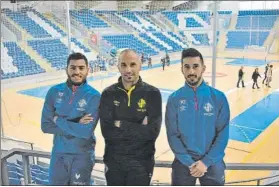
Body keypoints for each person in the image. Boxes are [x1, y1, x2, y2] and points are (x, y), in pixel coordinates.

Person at [165, 48, 230, 186]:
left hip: (212, 161)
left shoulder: (218, 98)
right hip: (183, 162)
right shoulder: (174, 99)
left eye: (195, 66)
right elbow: (172, 135)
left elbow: (222, 135)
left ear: (203, 68)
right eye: (187, 67)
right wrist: (190, 163)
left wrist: (205, 162)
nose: (191, 71)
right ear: (182, 69)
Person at [99, 49, 162, 186]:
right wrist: (139, 128)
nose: (128, 70)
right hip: (114, 162)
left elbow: (152, 132)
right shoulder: (108, 94)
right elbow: (107, 132)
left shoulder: (152, 93)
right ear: (118, 67)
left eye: (132, 64)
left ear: (140, 65)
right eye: (123, 65)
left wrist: (121, 124)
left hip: (141, 163)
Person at [41, 52, 101, 185]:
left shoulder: (94, 96)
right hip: (59, 154)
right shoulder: (53, 92)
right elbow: (45, 126)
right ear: (66, 69)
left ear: (88, 70)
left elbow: (85, 132)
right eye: (73, 67)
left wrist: (58, 120)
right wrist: (76, 122)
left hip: (82, 155)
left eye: (81, 68)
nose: (77, 72)